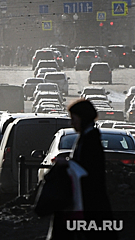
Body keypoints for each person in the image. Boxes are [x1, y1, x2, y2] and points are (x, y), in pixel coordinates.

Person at [48, 98, 116, 240]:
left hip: (89, 200)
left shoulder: (90, 140)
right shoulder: (88, 137)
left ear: (82, 118)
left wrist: (67, 164)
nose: (71, 123)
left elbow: (88, 168)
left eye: (74, 118)